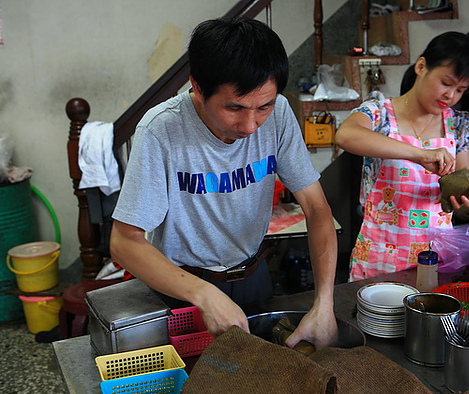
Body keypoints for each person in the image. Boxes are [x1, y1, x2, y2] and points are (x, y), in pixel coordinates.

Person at [109, 18, 338, 349]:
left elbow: (317, 208)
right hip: (181, 289)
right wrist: (203, 294)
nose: (250, 126)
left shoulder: (280, 114)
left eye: (263, 106)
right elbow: (124, 241)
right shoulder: (162, 130)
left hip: (253, 277)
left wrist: (324, 304)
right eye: (235, 108)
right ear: (198, 89)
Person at [335, 31, 469, 281]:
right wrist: (418, 155)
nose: (451, 96)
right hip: (379, 258)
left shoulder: (457, 126)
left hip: (435, 261)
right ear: (422, 66)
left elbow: (462, 174)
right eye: (446, 83)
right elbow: (346, 135)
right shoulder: (380, 113)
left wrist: (460, 191)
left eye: (460, 90)